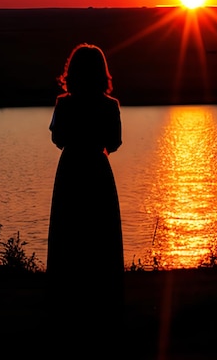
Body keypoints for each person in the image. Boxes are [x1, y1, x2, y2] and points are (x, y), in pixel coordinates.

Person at [46, 43, 125, 345]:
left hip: (70, 171)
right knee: (100, 236)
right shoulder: (110, 105)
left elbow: (57, 137)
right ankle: (104, 304)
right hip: (98, 169)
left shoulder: (63, 104)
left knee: (69, 234)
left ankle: (67, 305)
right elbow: (115, 142)